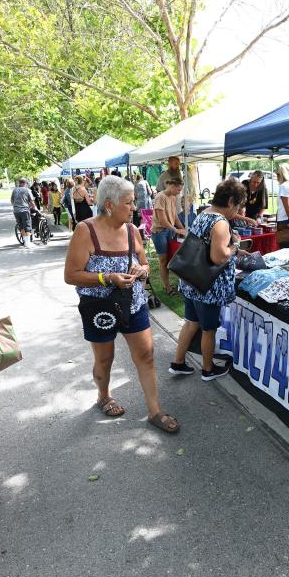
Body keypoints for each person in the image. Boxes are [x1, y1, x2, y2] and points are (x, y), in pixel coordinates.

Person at [63, 176, 179, 434]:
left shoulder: (132, 230)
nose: (134, 207)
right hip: (99, 308)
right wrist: (108, 278)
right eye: (129, 203)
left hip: (134, 304)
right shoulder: (85, 230)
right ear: (109, 205)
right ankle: (103, 396)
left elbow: (145, 263)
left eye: (133, 202)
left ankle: (154, 411)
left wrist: (142, 270)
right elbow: (71, 275)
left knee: (146, 355)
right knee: (105, 359)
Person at [170, 178, 245, 381]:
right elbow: (218, 257)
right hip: (208, 286)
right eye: (237, 205)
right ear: (230, 201)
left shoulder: (205, 213)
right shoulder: (220, 222)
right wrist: (235, 247)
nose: (236, 210)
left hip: (191, 280)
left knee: (190, 323)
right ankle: (208, 369)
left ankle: (177, 363)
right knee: (209, 330)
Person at [151, 178, 186, 296]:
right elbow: (162, 220)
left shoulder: (172, 197)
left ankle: (172, 284)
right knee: (163, 261)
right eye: (178, 190)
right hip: (159, 232)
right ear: (172, 186)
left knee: (172, 259)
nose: (179, 192)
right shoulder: (160, 197)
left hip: (169, 231)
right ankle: (167, 288)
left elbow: (174, 216)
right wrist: (177, 230)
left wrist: (183, 229)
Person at [12, 178, 35, 246]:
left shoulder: (14, 190)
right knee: (27, 226)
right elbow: (32, 201)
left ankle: (25, 242)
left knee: (21, 226)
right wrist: (35, 208)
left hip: (16, 211)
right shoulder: (27, 190)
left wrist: (16, 206)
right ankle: (28, 243)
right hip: (24, 210)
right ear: (25, 183)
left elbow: (12, 200)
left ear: (19, 183)